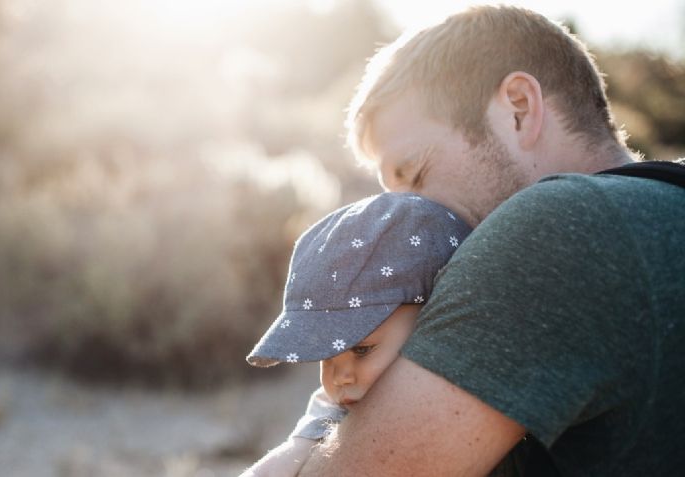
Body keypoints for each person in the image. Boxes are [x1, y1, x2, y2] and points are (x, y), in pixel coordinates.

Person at [291, 4, 685, 476]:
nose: (404, 219)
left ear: (519, 108)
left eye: (415, 174)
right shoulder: (663, 207)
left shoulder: (555, 227)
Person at [239, 192, 472, 476]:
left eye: (362, 350)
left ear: (433, 317)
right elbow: (285, 460)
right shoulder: (338, 408)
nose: (339, 377)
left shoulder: (471, 395)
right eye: (325, 356)